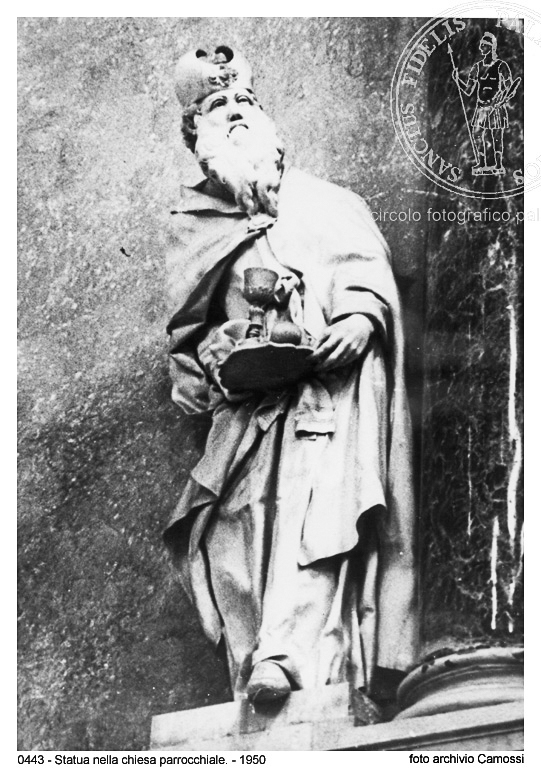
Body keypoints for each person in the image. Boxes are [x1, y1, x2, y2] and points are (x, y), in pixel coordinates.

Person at [163, 45, 418, 704]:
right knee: (234, 531)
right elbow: (187, 336)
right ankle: (252, 659)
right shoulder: (195, 225)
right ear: (196, 136)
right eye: (218, 106)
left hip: (323, 396)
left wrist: (359, 317)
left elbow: (363, 270)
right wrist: (210, 364)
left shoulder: (326, 201)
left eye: (244, 101)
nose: (236, 112)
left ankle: (290, 658)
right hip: (245, 412)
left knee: (314, 514)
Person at [452, 31, 515, 176]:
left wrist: (501, 99)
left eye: (484, 45)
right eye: (481, 45)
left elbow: (509, 89)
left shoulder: (501, 66)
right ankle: (481, 163)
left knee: (496, 137)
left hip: (496, 107)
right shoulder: (477, 67)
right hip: (481, 107)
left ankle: (498, 165)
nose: (481, 48)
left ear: (491, 47)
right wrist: (457, 80)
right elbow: (468, 91)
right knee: (477, 135)